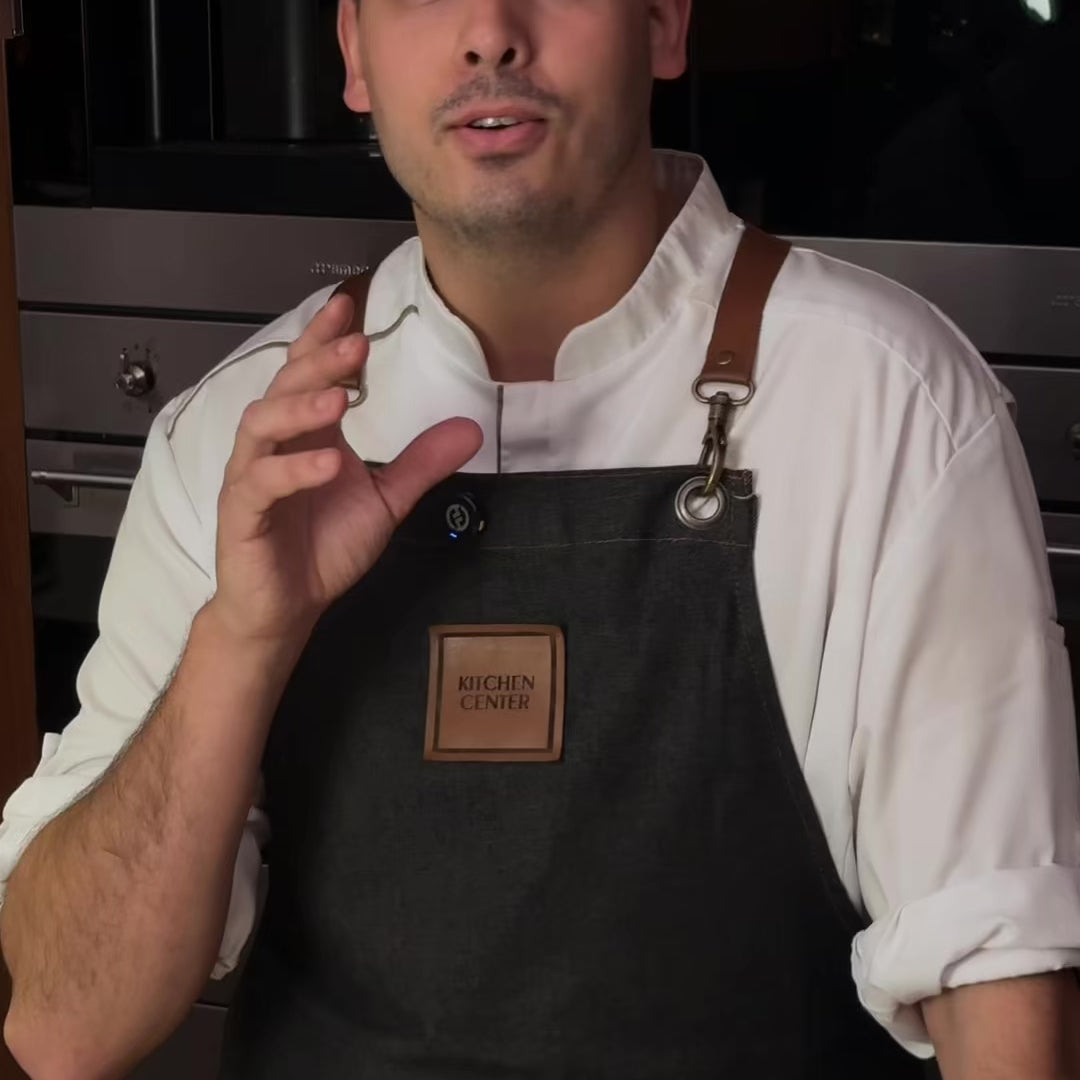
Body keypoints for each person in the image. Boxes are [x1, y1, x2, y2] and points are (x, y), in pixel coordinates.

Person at [3, 0, 1079, 1076]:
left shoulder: (889, 404)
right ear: (355, 55)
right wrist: (241, 637)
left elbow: (1001, 994)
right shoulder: (235, 435)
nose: (489, 32)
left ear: (663, 26)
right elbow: (62, 1030)